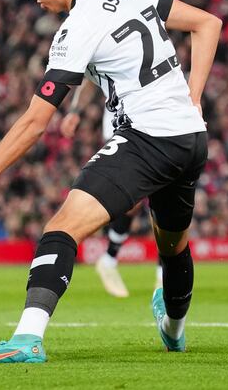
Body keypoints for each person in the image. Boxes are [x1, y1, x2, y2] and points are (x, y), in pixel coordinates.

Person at [0, 0, 221, 363]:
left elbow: (34, 123)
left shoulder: (77, 26)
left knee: (60, 230)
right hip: (191, 139)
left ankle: (27, 340)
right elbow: (208, 23)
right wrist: (193, 96)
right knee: (173, 245)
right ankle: (174, 330)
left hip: (148, 138)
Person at [61, 80, 163, 297]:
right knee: (135, 199)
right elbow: (90, 79)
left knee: (162, 193)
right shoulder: (105, 47)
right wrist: (75, 111)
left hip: (159, 116)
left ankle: (162, 275)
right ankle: (110, 259)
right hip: (122, 121)